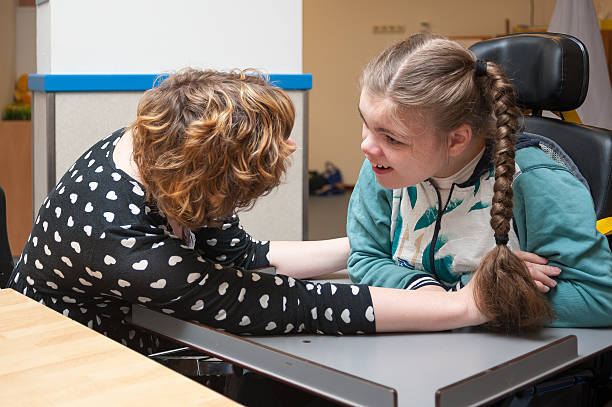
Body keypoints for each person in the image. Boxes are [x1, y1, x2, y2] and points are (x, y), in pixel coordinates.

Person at [8, 68, 486, 356]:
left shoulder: (157, 145)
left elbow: (245, 257)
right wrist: (462, 305)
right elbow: (290, 303)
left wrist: (393, 246)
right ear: (209, 180)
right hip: (75, 364)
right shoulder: (124, 243)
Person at [347, 34, 612, 331]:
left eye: (392, 138)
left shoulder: (536, 181)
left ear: (456, 140)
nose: (367, 147)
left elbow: (601, 297)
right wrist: (443, 299)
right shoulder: (383, 166)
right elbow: (365, 258)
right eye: (366, 124)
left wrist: (486, 296)